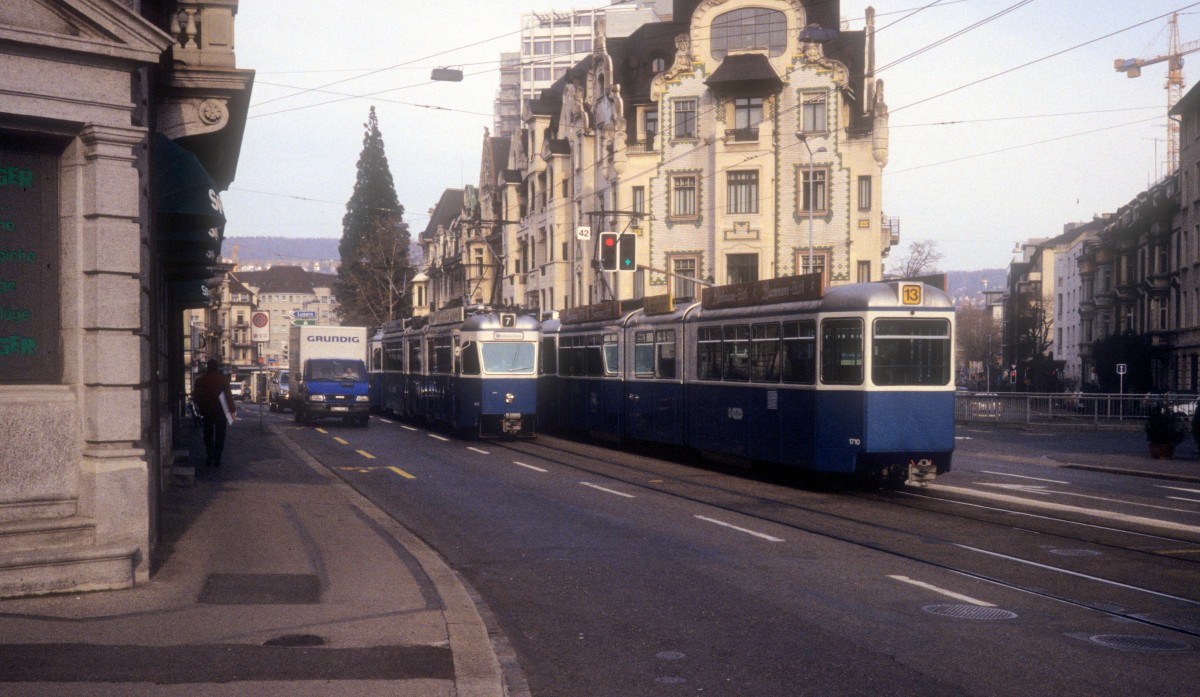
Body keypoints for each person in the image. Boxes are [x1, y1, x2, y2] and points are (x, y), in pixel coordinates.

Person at [192, 358, 237, 467]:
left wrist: (200, 408)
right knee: (220, 435)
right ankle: (217, 459)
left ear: (208, 367)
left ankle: (210, 456)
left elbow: (196, 397)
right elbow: (228, 397)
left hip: (207, 411)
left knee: (208, 435)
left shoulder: (201, 380)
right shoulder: (224, 380)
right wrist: (232, 410)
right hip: (221, 411)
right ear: (217, 367)